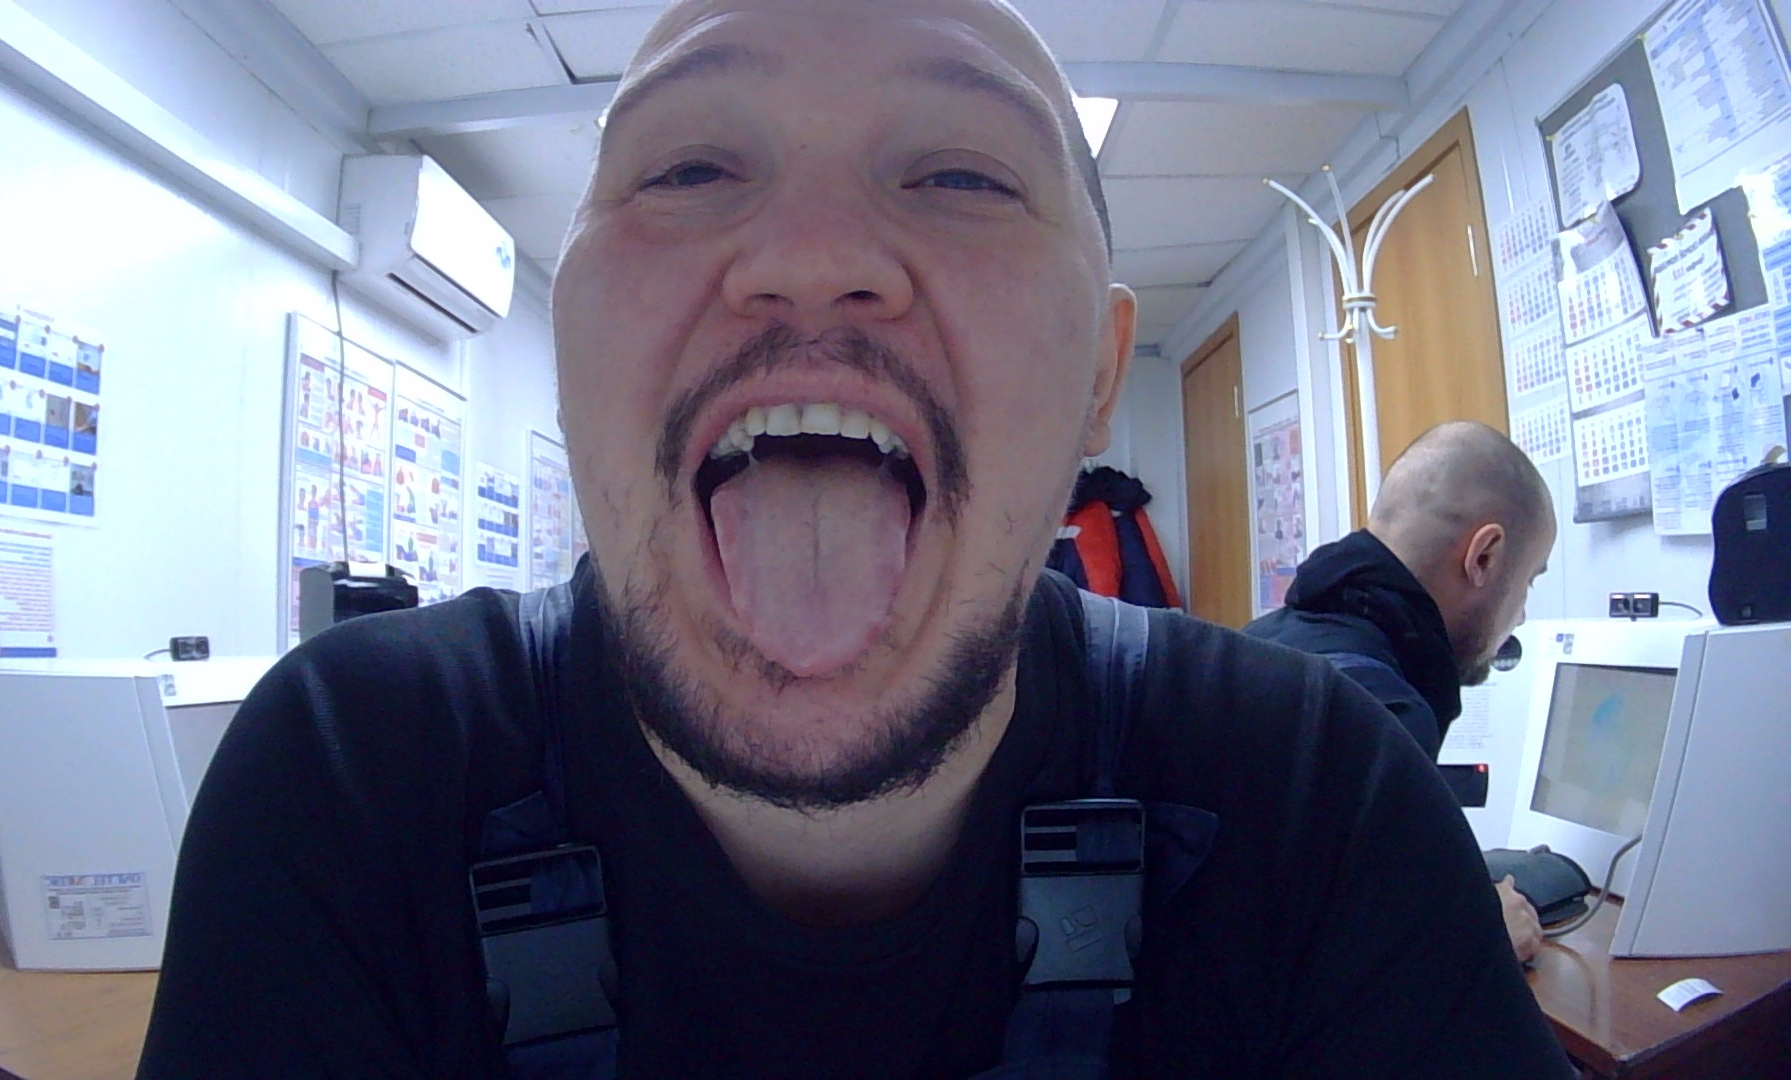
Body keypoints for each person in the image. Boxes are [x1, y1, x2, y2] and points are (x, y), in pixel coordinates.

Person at [137, 2, 1570, 1076]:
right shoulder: (355, 781)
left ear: (1097, 373)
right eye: (689, 168)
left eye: (961, 177)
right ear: (567, 339)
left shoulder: (1317, 802)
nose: (810, 260)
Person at [1244, 420, 1556, 963]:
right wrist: (1479, 936)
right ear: (1484, 556)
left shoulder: (1265, 638)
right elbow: (1350, 973)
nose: (1522, 615)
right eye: (1528, 581)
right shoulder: (1379, 715)